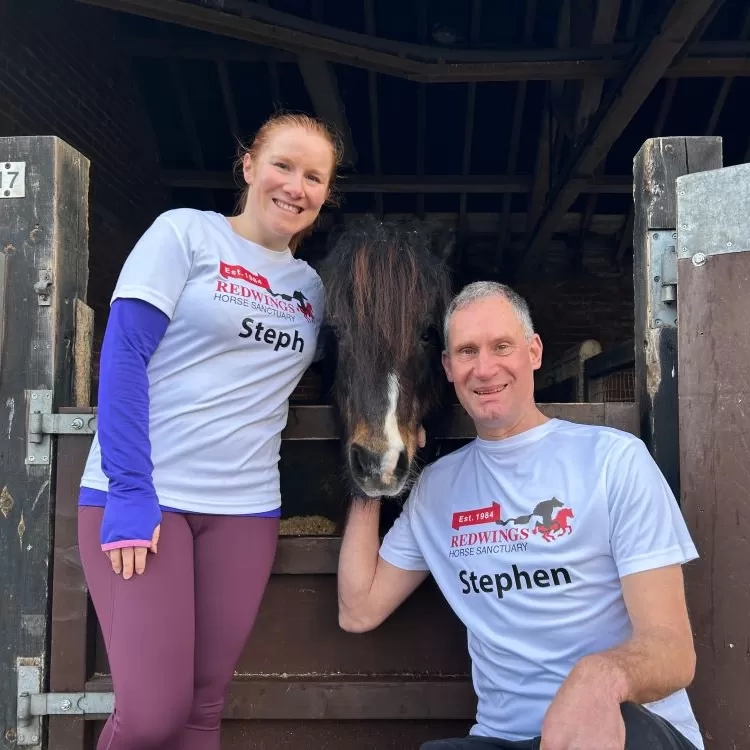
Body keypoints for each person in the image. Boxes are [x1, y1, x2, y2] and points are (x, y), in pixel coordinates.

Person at [337, 281, 704, 750]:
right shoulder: (437, 489)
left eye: (501, 346)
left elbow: (674, 651)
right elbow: (359, 609)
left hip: (625, 728)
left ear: (533, 352)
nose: (485, 368)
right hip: (503, 739)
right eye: (467, 351)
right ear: (448, 368)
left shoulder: (614, 460)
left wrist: (602, 677)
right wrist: (373, 461)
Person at [77, 111, 343, 750]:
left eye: (314, 176)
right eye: (283, 164)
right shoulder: (184, 235)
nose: (295, 186)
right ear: (248, 166)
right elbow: (123, 356)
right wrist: (131, 490)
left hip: (246, 512)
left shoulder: (312, 289)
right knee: (150, 717)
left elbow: (369, 373)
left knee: (201, 712)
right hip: (148, 499)